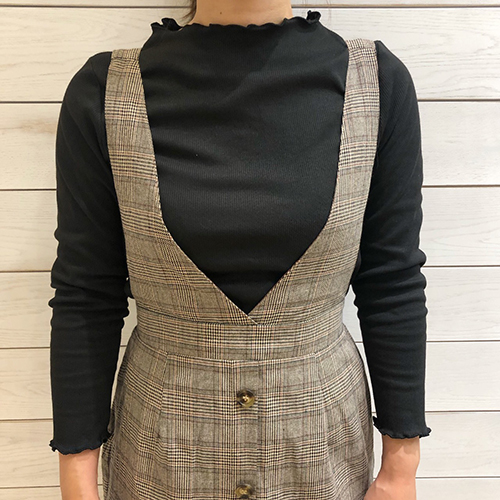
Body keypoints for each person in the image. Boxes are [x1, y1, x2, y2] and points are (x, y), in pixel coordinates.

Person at [48, 1, 431, 499]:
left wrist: (401, 468)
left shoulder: (376, 83)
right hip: (161, 458)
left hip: (322, 455)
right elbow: (86, 294)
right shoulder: (105, 91)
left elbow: (391, 281)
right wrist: (77, 484)